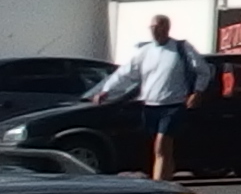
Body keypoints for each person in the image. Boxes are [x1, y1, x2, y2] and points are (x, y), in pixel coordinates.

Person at [85, 14, 206, 178]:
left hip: (173, 105)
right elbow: (124, 74)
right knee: (162, 151)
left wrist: (198, 92)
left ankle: (158, 185)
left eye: (159, 27)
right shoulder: (145, 52)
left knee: (161, 146)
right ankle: (167, 181)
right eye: (152, 27)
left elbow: (203, 71)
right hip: (150, 106)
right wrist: (106, 90)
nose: (155, 31)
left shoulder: (181, 48)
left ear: (167, 28)